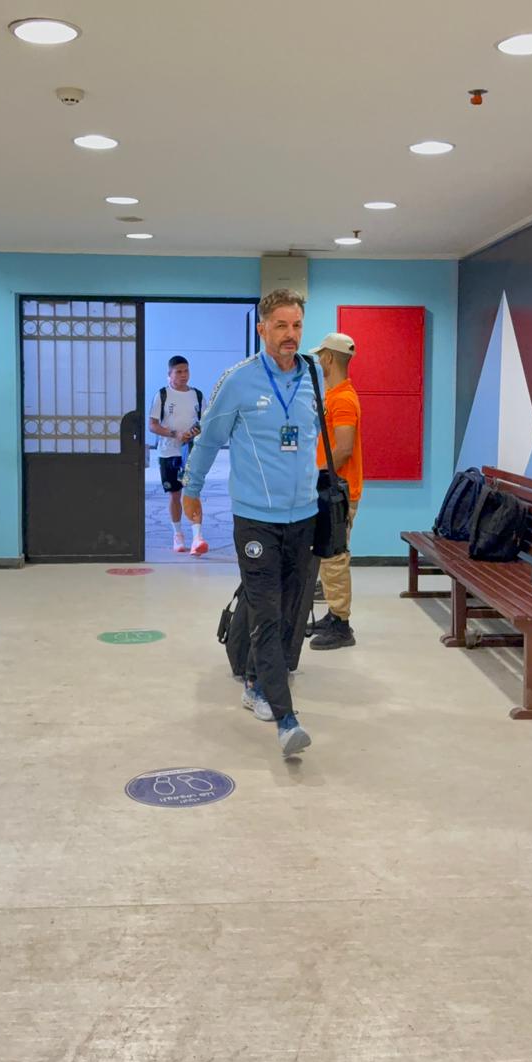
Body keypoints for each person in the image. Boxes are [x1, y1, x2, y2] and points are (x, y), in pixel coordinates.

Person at [182, 289, 318, 759]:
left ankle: (259, 680)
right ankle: (286, 718)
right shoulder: (239, 380)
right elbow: (208, 438)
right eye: (281, 326)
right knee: (265, 609)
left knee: (290, 607)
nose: (290, 335)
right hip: (256, 519)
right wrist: (192, 488)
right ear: (262, 329)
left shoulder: (313, 376)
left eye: (296, 325)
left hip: (304, 516)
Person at [308, 332, 362, 650]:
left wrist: (314, 476)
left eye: (320, 356)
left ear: (329, 357)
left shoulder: (343, 399)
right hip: (328, 489)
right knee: (328, 556)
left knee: (335, 558)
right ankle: (333, 614)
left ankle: (341, 626)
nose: (318, 361)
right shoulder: (334, 395)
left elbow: (343, 449)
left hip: (337, 492)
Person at [148, 356, 208, 556]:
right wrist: (175, 434)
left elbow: (205, 422)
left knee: (192, 491)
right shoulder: (162, 395)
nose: (183, 375)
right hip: (169, 452)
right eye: (179, 372)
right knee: (175, 494)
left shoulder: (197, 395)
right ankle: (178, 534)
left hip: (191, 452)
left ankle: (197, 537)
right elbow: (152, 425)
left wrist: (194, 432)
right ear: (170, 374)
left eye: (186, 371)